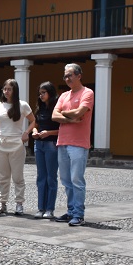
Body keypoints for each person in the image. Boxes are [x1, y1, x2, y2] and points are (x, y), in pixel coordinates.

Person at [52, 63, 94, 226]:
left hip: (78, 143)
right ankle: (71, 211)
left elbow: (79, 112)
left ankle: (79, 214)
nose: (67, 78)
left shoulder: (87, 93)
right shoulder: (63, 96)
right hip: (62, 141)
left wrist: (63, 113)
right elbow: (54, 116)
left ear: (79, 76)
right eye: (65, 76)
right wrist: (70, 118)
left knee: (77, 179)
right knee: (65, 180)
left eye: (70, 75)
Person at [0, 79, 35, 215]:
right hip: (1, 143)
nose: (6, 91)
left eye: (9, 89)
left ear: (15, 91)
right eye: (4, 89)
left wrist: (27, 132)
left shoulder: (22, 105)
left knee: (17, 176)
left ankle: (19, 203)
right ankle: (2, 203)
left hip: (16, 144)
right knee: (3, 176)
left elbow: (33, 121)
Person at [31, 81, 60, 219]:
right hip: (39, 144)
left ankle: (50, 209)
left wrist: (48, 133)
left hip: (51, 144)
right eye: (40, 93)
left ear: (50, 93)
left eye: (44, 92)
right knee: (41, 177)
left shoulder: (57, 108)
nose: (41, 95)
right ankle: (40, 208)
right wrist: (35, 132)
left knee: (51, 177)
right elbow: (35, 124)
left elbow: (62, 130)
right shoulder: (40, 108)